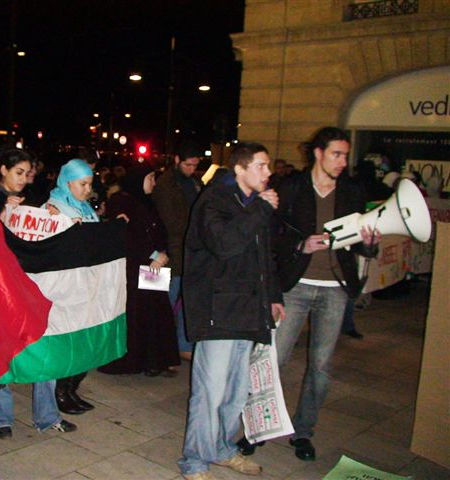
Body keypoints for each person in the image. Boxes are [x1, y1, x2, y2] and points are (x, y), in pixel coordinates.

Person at [241, 127, 380, 462]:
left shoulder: (351, 190)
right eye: (337, 154)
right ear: (318, 153)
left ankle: (303, 431)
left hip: (335, 289)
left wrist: (370, 243)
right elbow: (270, 235)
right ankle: (257, 427)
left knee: (321, 366)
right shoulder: (291, 188)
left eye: (346, 155)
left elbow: (360, 241)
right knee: (274, 361)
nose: (343, 161)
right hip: (297, 286)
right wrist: (302, 246)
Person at [178, 143, 284, 480]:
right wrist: (261, 211)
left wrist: (274, 296)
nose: (268, 173)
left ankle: (222, 448)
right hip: (217, 307)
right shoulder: (215, 200)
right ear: (240, 169)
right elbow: (224, 244)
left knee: (236, 391)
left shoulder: (254, 203)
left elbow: (264, 256)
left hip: (248, 308)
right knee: (209, 391)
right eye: (262, 166)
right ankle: (195, 460)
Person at [0, 146, 76, 437]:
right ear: (3, 171)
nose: (24, 179)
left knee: (43, 345)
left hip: (29, 284)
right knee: (1, 350)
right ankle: (2, 418)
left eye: (28, 174)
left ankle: (47, 416)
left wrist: (54, 218)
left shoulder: (33, 197)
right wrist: (1, 214)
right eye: (18, 173)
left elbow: (42, 236)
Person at [98, 165, 180, 377]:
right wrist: (153, 254)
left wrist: (163, 253)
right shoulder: (121, 201)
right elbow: (125, 234)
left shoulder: (147, 202)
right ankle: (134, 360)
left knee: (155, 311)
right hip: (135, 268)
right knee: (137, 313)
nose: (153, 183)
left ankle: (154, 360)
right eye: (150, 178)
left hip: (153, 267)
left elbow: (158, 230)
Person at [46, 159, 99, 415]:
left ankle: (71, 388)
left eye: (90, 183)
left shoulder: (86, 207)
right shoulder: (54, 206)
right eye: (82, 183)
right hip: (67, 286)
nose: (87, 189)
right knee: (69, 342)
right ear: (68, 182)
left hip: (86, 282)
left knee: (83, 341)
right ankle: (60, 391)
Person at [152, 140, 204, 362]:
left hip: (188, 254)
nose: (192, 169)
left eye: (195, 165)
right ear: (176, 160)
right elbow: (171, 221)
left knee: (185, 304)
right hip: (166, 255)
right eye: (188, 165)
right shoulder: (165, 184)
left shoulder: (194, 182)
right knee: (160, 306)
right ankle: (157, 350)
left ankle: (182, 345)